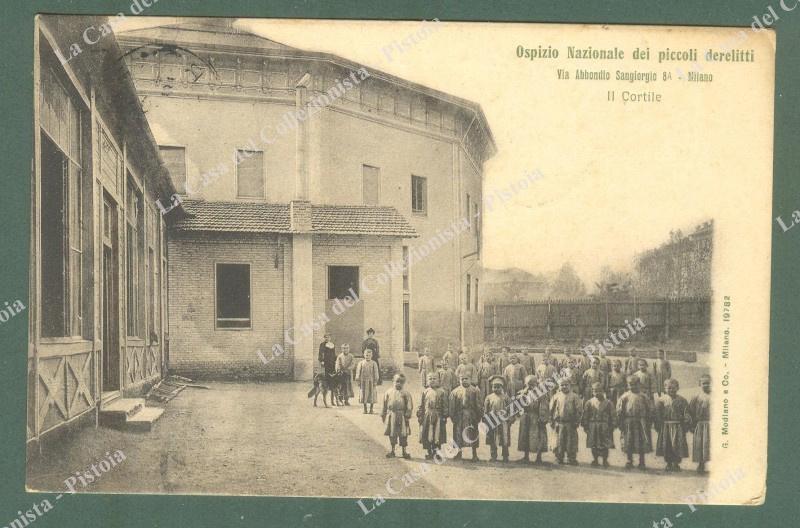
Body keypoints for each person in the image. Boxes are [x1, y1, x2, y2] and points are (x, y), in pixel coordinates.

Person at [654, 379, 691, 471]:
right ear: (664, 388)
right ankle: (669, 463)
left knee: (678, 445)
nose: (671, 390)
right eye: (669, 388)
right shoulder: (661, 400)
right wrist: (658, 425)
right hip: (666, 426)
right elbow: (657, 414)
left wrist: (686, 424)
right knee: (667, 445)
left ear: (677, 388)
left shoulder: (682, 400)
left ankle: (676, 463)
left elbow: (686, 413)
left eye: (674, 388)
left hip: (678, 426)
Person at [617, 375, 652, 469]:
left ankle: (642, 461)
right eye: (630, 384)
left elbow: (649, 409)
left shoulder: (643, 396)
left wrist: (649, 421)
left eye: (634, 384)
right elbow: (620, 410)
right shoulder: (624, 396)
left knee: (642, 441)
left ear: (639, 384)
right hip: (628, 421)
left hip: (641, 421)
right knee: (628, 440)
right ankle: (629, 460)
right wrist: (620, 422)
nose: (632, 386)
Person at [517, 374, 549, 464]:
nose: (529, 387)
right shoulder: (523, 392)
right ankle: (525, 456)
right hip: (526, 416)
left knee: (538, 436)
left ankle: (539, 457)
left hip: (536, 416)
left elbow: (544, 406)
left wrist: (542, 418)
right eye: (527, 384)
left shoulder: (541, 394)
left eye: (532, 384)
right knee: (525, 436)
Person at [582, 382, 616, 467]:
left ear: (603, 391)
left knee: (605, 444)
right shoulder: (589, 402)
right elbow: (585, 415)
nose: (597, 393)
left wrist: (612, 426)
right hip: (593, 425)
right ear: (592, 392)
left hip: (604, 426)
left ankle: (605, 460)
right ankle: (595, 460)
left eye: (599, 391)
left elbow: (613, 415)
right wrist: (585, 425)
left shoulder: (608, 403)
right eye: (595, 391)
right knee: (594, 444)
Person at [449, 374, 482, 461]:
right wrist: (452, 416)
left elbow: (478, 404)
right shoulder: (455, 392)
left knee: (473, 434)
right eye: (462, 379)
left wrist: (479, 416)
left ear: (470, 379)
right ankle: (458, 453)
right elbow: (452, 406)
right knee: (458, 434)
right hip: (459, 416)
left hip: (471, 416)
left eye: (466, 379)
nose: (464, 381)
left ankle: (474, 454)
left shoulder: (475, 391)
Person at [550, 379, 582, 465]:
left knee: (571, 441)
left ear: (570, 386)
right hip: (559, 423)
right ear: (559, 386)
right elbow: (551, 410)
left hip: (570, 423)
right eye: (562, 385)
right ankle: (558, 457)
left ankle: (571, 458)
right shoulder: (556, 396)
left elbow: (579, 410)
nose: (564, 387)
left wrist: (577, 421)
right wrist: (551, 420)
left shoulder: (575, 396)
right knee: (558, 441)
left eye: (566, 385)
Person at [381, 374, 414, 459]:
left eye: (401, 382)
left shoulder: (406, 393)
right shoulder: (388, 392)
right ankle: (392, 450)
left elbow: (409, 405)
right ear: (393, 381)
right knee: (392, 433)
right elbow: (384, 404)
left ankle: (404, 451)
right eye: (397, 381)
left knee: (403, 434)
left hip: (402, 416)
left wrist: (407, 415)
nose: (399, 384)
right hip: (391, 415)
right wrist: (383, 415)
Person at [417, 373, 449, 460]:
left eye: (434, 378)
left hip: (438, 415)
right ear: (427, 381)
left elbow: (445, 405)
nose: (432, 380)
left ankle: (437, 452)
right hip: (427, 415)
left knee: (438, 435)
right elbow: (421, 405)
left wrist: (445, 416)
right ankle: (429, 452)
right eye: (430, 379)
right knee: (427, 433)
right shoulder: (425, 391)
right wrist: (420, 415)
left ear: (438, 380)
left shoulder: (442, 392)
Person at [484, 376, 514, 462]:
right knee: (493, 439)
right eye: (494, 386)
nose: (496, 388)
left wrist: (510, 419)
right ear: (492, 387)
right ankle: (493, 455)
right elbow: (486, 410)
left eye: (498, 387)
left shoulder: (506, 397)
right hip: (492, 421)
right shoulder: (489, 397)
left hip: (503, 421)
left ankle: (505, 456)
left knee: (504, 438)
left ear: (502, 387)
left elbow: (511, 410)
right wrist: (486, 420)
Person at [688, 374, 711, 473]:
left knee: (710, 444)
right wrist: (692, 424)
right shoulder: (696, 397)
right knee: (700, 444)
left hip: (711, 424)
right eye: (703, 383)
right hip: (700, 424)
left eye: (708, 383)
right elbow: (690, 411)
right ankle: (701, 465)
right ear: (699, 384)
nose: (705, 385)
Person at [355, 349, 380, 414]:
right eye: (366, 355)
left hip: (371, 382)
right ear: (364, 355)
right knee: (364, 394)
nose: (367, 356)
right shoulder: (361, 363)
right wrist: (358, 380)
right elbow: (358, 372)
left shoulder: (374, 363)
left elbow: (376, 373)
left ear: (371, 355)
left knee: (372, 394)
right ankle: (365, 408)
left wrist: (376, 380)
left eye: (369, 355)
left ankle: (371, 409)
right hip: (363, 381)